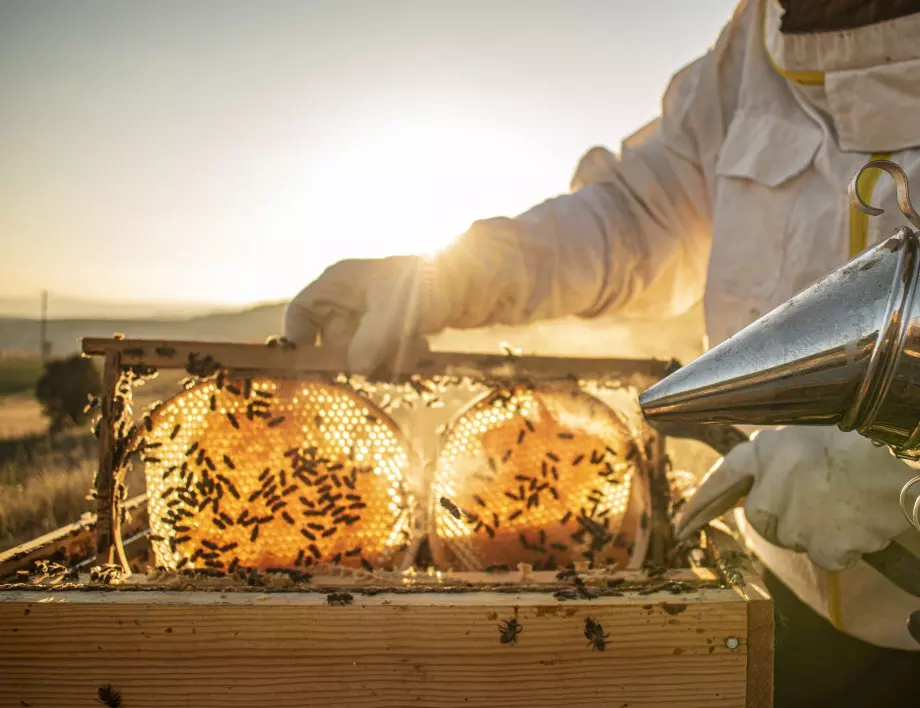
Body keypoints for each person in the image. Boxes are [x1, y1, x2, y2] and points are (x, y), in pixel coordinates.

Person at [284, 1, 920, 704]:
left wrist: (898, 455)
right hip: (783, 587)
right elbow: (638, 217)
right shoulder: (748, 48)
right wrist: (451, 276)